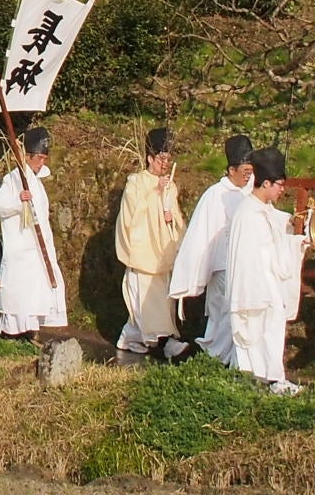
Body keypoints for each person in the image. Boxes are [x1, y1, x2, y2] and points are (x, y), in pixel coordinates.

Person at [219, 147, 303, 391]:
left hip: (268, 285)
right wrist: (257, 290)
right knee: (258, 334)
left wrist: (298, 242)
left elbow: (276, 240)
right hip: (255, 287)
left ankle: (272, 376)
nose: (281, 189)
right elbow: (247, 258)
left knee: (272, 331)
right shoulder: (247, 214)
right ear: (265, 183)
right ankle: (259, 377)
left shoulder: (264, 210)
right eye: (278, 184)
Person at [170, 134, 255, 361]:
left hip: (243, 266)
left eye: (251, 171)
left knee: (234, 314)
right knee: (222, 313)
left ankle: (221, 357)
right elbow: (201, 233)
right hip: (222, 266)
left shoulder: (251, 193)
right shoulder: (215, 195)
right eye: (244, 171)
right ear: (231, 170)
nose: (248, 176)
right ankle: (214, 355)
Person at [114, 128, 187, 359]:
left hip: (162, 253)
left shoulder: (170, 186)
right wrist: (156, 193)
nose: (165, 164)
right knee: (146, 302)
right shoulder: (136, 182)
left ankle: (131, 336)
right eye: (160, 159)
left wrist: (170, 216)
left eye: (168, 159)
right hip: (144, 252)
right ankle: (166, 343)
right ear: (149, 158)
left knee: (159, 303)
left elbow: (175, 218)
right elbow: (131, 216)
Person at [0, 125, 67, 337]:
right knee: (18, 290)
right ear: (29, 156)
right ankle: (11, 331)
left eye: (44, 158)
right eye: (39, 158)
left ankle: (29, 330)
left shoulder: (36, 182)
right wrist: (18, 200)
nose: (41, 163)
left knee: (35, 290)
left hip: (36, 248)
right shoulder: (13, 179)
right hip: (20, 246)